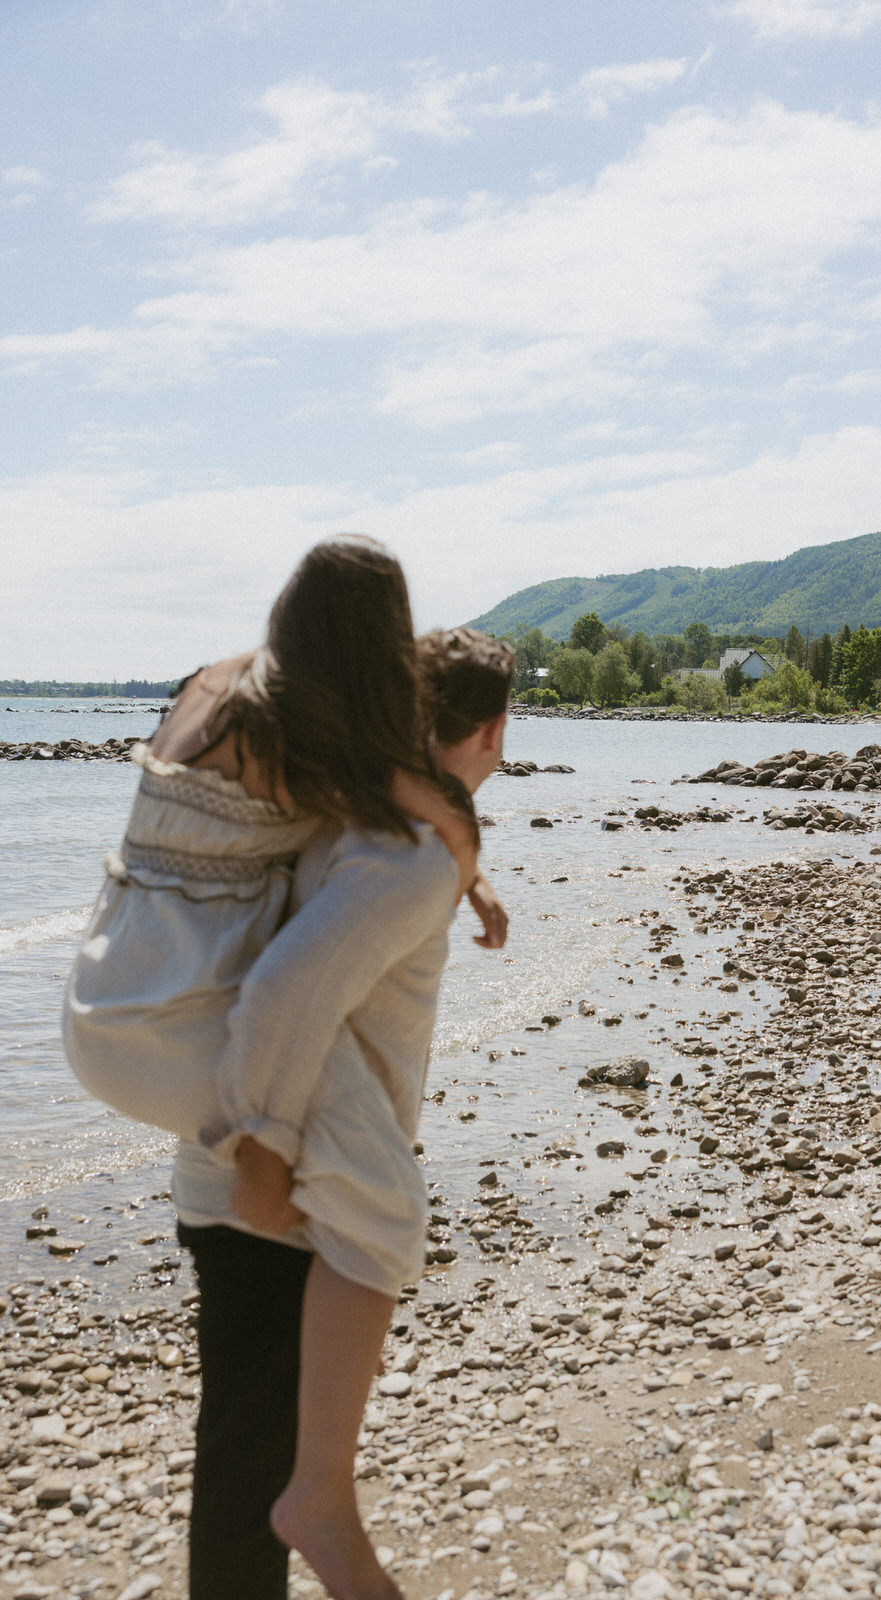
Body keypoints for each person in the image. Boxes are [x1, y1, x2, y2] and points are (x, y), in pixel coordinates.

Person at [62, 546, 514, 1600]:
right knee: (383, 1207)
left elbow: (379, 788)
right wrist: (262, 1145)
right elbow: (296, 977)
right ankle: (325, 1505)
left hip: (114, 996)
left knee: (239, 1444)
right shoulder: (322, 749)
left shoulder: (226, 689)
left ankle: (310, 1505)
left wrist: (469, 869)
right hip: (188, 1033)